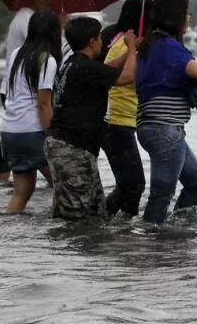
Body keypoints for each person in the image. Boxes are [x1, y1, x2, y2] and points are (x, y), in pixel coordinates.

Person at [136, 0, 197, 226]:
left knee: (195, 181)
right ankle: (153, 241)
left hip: (155, 126)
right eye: (186, 13)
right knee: (161, 195)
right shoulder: (167, 45)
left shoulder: (148, 45)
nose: (189, 18)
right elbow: (196, 71)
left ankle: (179, 230)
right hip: (165, 129)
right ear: (176, 17)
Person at [46, 17, 138, 220]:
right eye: (99, 38)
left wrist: (128, 52)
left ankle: (85, 249)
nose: (102, 43)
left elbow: (107, 69)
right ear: (92, 42)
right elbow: (127, 77)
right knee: (75, 215)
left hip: (71, 146)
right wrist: (132, 50)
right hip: (71, 149)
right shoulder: (85, 68)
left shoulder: (73, 64)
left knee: (96, 212)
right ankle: (60, 250)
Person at [0, 0, 57, 182]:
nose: (48, 0)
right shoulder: (29, 20)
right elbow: (46, 47)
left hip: (16, 88)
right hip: (25, 89)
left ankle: (2, 180)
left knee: (17, 139)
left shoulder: (25, 17)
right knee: (35, 140)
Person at [0, 10, 61, 214]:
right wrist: (53, 137)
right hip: (32, 133)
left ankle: (4, 234)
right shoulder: (48, 61)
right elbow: (43, 104)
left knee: (21, 194)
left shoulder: (17, 54)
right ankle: (60, 237)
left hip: (10, 131)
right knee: (64, 188)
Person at [100, 0, 153, 218]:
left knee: (129, 184)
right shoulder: (127, 45)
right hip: (117, 123)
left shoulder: (120, 40)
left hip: (120, 122)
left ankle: (121, 231)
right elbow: (127, 77)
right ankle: (101, 217)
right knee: (134, 184)